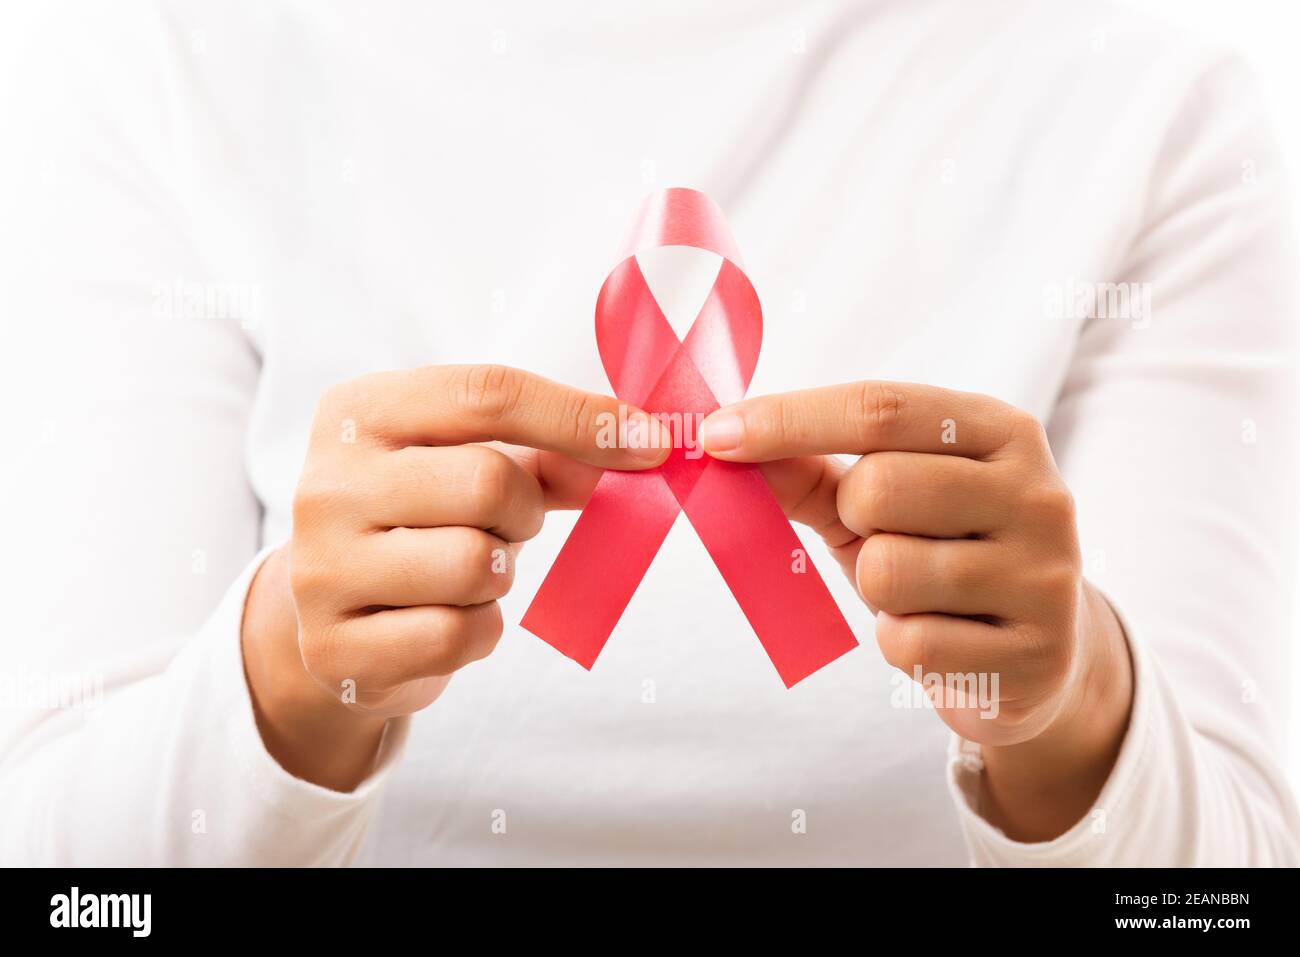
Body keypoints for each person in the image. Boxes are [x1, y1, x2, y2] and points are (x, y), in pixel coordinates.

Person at [2, 0, 1297, 866]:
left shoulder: (1148, 92)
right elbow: (67, 886)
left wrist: (1078, 716)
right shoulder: (162, 61)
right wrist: (275, 688)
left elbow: (1222, 890)